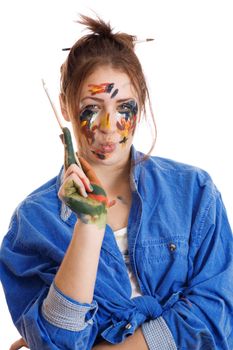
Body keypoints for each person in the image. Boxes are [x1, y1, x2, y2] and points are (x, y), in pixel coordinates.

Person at [1, 14, 233, 350]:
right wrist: (90, 226)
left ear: (141, 103)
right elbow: (58, 342)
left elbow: (218, 314)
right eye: (92, 108)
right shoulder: (34, 222)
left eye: (124, 107)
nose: (109, 126)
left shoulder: (194, 193)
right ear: (65, 107)